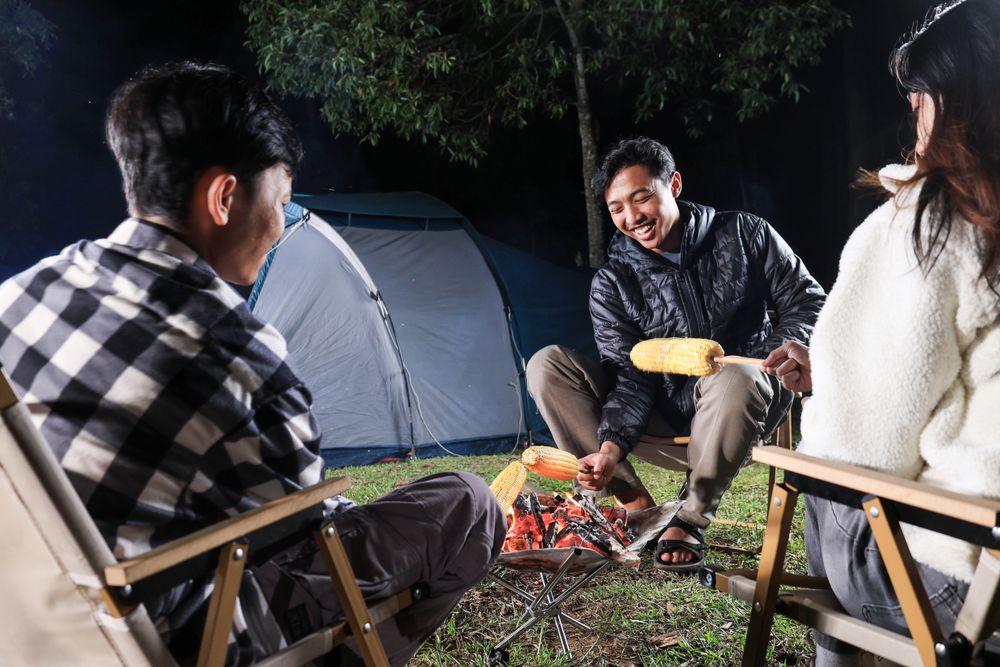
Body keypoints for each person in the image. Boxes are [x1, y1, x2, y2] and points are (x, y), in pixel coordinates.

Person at [0, 62, 505, 666]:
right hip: (182, 637)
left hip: (35, 630)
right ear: (224, 197)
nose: (278, 229)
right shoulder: (234, 347)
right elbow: (300, 524)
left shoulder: (20, 295)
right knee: (467, 502)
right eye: (283, 203)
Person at [762, 1, 1000, 664]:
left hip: (967, 580)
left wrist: (832, 386)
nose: (912, 115)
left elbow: (860, 447)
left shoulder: (929, 221)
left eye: (919, 96)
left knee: (819, 483)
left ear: (954, 100)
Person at [527, 137, 825, 572]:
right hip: (660, 413)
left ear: (675, 185)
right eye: (617, 209)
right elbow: (630, 373)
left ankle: (687, 517)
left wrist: (778, 349)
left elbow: (807, 300)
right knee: (545, 365)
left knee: (733, 377)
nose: (632, 218)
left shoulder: (744, 233)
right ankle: (633, 501)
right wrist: (610, 449)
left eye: (641, 198)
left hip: (742, 401)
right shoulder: (613, 282)